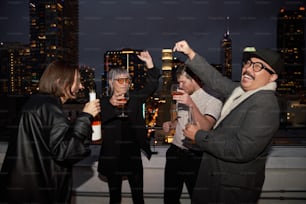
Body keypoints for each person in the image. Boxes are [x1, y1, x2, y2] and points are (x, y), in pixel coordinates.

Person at [173, 40, 284, 204]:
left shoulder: (265, 104)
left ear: (272, 77)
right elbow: (215, 79)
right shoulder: (242, 93)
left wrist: (199, 135)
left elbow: (241, 149)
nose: (248, 70)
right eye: (248, 64)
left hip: (230, 189)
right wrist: (190, 53)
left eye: (258, 67)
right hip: (217, 181)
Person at [0, 61, 101, 203]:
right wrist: (85, 117)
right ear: (61, 81)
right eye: (77, 81)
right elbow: (66, 153)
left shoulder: (36, 102)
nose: (81, 86)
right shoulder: (50, 108)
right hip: (39, 192)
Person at [97, 51, 160, 204]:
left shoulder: (135, 99)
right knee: (115, 198)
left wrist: (149, 63)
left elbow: (152, 85)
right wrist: (112, 104)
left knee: (138, 198)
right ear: (111, 82)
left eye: (127, 79)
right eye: (120, 80)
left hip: (132, 156)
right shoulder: (103, 102)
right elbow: (98, 122)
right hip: (112, 157)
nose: (125, 83)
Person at [162, 65, 223, 204]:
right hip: (175, 152)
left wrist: (191, 103)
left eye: (183, 82)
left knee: (199, 199)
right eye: (179, 82)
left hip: (196, 157)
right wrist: (171, 124)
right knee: (170, 199)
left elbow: (206, 126)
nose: (180, 86)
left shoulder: (213, 99)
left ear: (195, 79)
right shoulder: (183, 94)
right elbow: (181, 119)